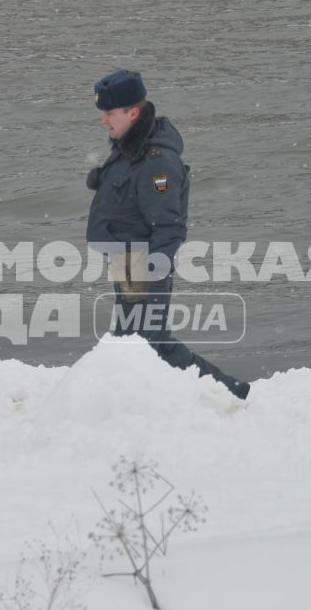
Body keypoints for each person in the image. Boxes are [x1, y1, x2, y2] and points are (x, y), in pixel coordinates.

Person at [85, 70, 250, 400]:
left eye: (110, 113)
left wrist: (154, 273)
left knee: (152, 340)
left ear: (133, 112)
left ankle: (229, 392)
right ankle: (140, 400)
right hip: (126, 261)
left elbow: (168, 225)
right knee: (128, 340)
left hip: (144, 264)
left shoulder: (156, 163)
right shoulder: (129, 146)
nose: (104, 120)